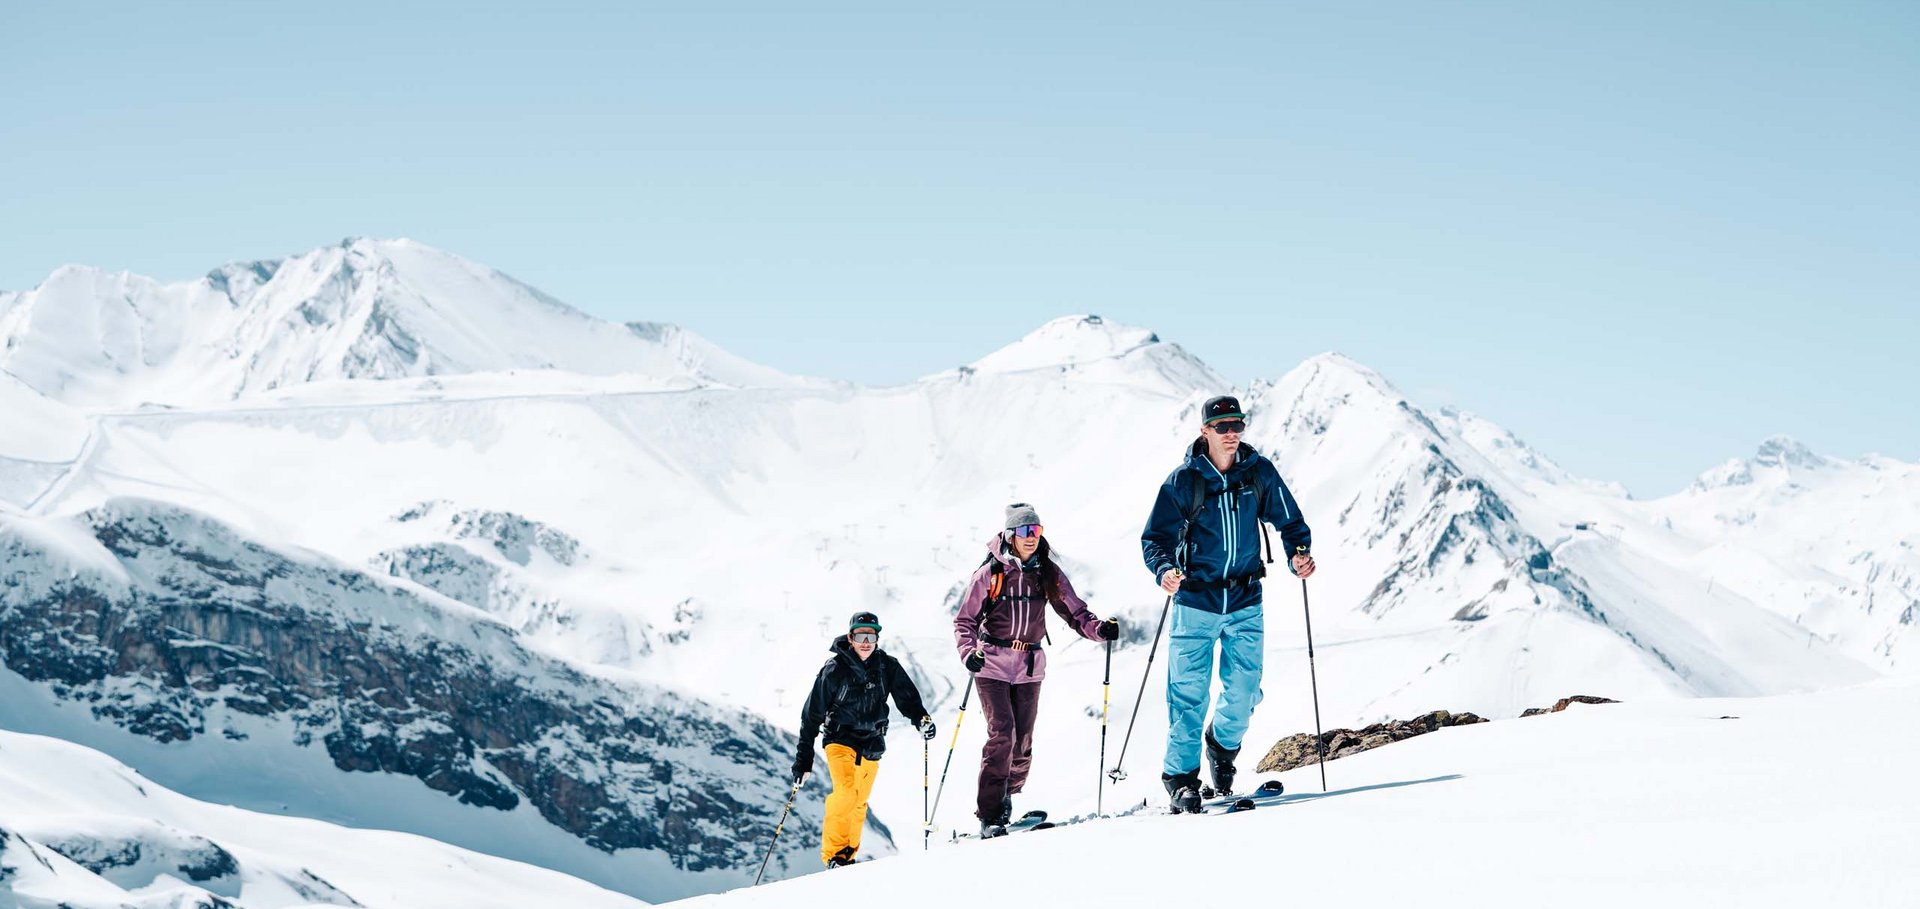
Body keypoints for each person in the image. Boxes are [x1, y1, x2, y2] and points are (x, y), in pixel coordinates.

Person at [1140, 395, 1315, 812]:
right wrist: (1164, 569)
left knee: (1244, 689)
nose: (1232, 432)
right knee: (1188, 695)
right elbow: (1155, 539)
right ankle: (1181, 779)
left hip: (1245, 598)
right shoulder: (1183, 481)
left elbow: (1289, 521)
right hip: (1195, 601)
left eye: (1238, 424)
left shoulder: (1259, 473)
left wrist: (1299, 554)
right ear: (1205, 431)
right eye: (1222, 426)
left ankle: (1221, 747)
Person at [954, 503, 1119, 837]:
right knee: (1002, 732)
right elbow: (964, 620)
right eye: (1025, 531)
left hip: (1029, 666)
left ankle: (1008, 795)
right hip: (992, 664)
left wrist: (1099, 630)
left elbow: (1075, 612)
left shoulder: (1047, 573)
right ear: (1010, 535)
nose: (1031, 537)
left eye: (1036, 531)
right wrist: (969, 652)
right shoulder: (990, 573)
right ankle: (991, 813)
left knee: (1023, 739)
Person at [793, 611, 935, 867]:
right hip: (840, 740)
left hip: (872, 742)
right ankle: (833, 855)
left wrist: (921, 719)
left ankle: (847, 856)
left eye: (871, 635)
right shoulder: (834, 670)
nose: (866, 641)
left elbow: (907, 697)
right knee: (846, 793)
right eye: (860, 635)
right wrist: (804, 759)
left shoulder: (887, 666)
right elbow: (811, 715)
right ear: (850, 637)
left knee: (859, 803)